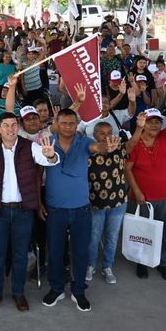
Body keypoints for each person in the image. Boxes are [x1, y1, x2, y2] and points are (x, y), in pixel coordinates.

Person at [0, 113, 59, 312]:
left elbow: (50, 160)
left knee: (20, 254)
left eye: (13, 125)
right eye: (6, 125)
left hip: (23, 211)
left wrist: (50, 155)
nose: (10, 129)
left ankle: (18, 293)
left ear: (17, 127)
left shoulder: (30, 147)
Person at [42, 108, 121, 313]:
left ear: (77, 124)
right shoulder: (47, 142)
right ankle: (57, 288)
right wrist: (38, 202)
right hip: (55, 207)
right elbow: (37, 172)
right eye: (64, 123)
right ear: (57, 123)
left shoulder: (84, 142)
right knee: (56, 251)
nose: (68, 127)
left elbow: (98, 148)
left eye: (71, 123)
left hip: (81, 208)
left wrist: (107, 147)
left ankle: (79, 291)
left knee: (80, 252)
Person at [124, 104, 166, 280]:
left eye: (158, 122)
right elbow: (128, 169)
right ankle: (141, 262)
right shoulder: (135, 142)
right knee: (143, 231)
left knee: (165, 230)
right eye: (150, 122)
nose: (154, 125)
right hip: (143, 197)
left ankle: (161, 262)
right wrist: (136, 190)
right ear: (142, 123)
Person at [85, 122, 129, 286]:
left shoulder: (119, 149)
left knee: (112, 237)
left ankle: (107, 267)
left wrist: (138, 128)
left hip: (118, 202)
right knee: (94, 237)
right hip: (95, 203)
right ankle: (90, 265)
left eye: (109, 133)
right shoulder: (89, 151)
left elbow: (131, 145)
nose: (106, 136)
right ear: (95, 135)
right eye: (102, 133)